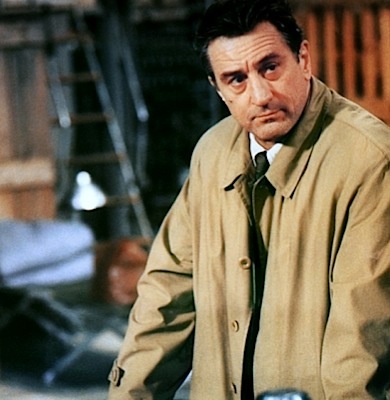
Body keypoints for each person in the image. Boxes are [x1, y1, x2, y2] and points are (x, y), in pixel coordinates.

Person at [107, 0, 390, 399]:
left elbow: (363, 339)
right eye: (236, 79)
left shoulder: (369, 161)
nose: (260, 95)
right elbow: (168, 296)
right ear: (218, 88)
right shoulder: (213, 154)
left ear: (303, 59)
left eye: (270, 67)